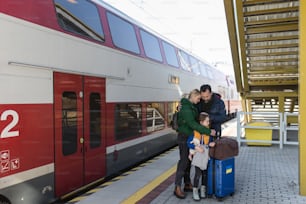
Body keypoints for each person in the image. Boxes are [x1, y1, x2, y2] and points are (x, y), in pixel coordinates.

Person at [174, 89, 216, 199]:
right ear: (193, 96)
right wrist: (207, 131)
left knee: (188, 161)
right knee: (183, 161)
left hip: (189, 136)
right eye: (198, 98)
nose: (199, 101)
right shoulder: (187, 108)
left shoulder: (190, 106)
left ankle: (187, 184)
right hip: (184, 137)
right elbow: (192, 123)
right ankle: (177, 187)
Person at [187, 112, 215, 201]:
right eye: (207, 121)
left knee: (205, 174)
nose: (208, 123)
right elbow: (189, 143)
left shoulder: (208, 131)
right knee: (197, 174)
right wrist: (196, 147)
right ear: (201, 122)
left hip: (205, 155)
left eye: (209, 121)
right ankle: (195, 191)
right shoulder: (195, 132)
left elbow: (209, 141)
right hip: (198, 155)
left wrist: (211, 143)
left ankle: (203, 189)